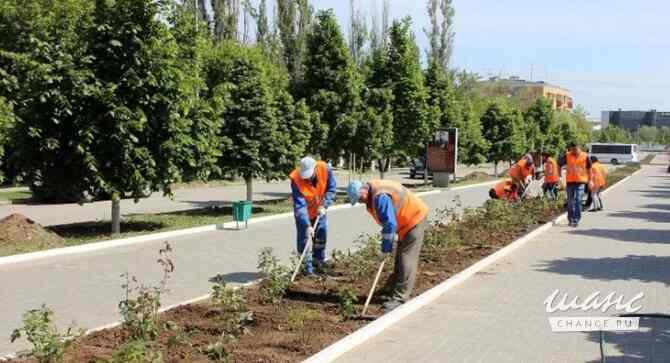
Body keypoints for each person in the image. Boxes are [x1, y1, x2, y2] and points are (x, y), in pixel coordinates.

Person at [347, 179, 428, 311]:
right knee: (400, 258)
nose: (360, 202)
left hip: (414, 219)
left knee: (406, 259)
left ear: (363, 191)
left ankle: (400, 298)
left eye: (359, 198)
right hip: (404, 223)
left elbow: (390, 224)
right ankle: (391, 289)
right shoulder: (373, 192)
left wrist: (385, 248)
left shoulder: (380, 197)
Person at [289, 156, 336, 275]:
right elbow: (300, 206)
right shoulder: (296, 179)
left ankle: (318, 263)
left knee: (320, 236)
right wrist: (306, 225)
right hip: (304, 214)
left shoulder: (325, 169)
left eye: (309, 175)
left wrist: (324, 205)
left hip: (320, 210)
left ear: (315, 168)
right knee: (304, 240)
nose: (308, 179)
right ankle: (307, 270)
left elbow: (331, 189)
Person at [558, 143, 591, 227]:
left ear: (579, 148)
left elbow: (589, 169)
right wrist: (559, 176)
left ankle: (576, 220)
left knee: (578, 200)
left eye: (575, 150)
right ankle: (571, 219)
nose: (573, 152)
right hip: (570, 182)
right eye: (572, 150)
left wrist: (590, 180)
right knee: (570, 202)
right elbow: (559, 164)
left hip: (581, 182)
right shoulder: (567, 155)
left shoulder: (585, 156)